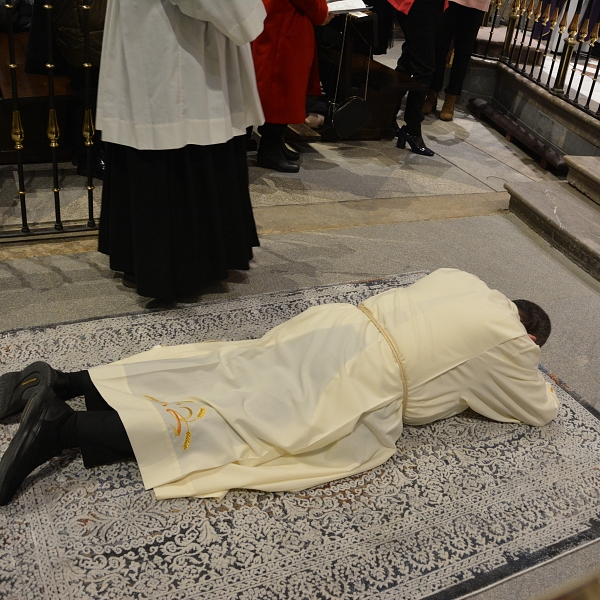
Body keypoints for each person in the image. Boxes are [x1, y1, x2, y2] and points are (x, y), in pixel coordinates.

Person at [0, 269, 560, 506]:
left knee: (220, 370)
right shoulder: (512, 343)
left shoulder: (465, 280)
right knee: (240, 425)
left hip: (334, 324)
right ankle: (61, 427)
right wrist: (533, 365)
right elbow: (540, 409)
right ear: (530, 334)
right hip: (364, 380)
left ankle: (66, 380)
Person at [96, 1, 265, 302]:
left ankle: (143, 258)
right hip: (177, 43)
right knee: (178, 136)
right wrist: (247, 14)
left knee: (156, 135)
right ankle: (180, 268)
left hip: (153, 35)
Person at [251, 0, 332, 173]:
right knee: (280, 89)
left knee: (281, 88)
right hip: (284, 24)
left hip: (283, 20)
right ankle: (269, 151)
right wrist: (322, 11)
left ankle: (276, 143)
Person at [388, 0, 447, 156]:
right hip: (419, 4)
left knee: (408, 62)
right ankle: (412, 129)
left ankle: (387, 116)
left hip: (432, 5)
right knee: (425, 69)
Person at [422, 0, 491, 121]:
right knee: (439, 47)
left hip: (476, 4)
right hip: (451, 1)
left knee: (463, 51)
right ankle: (432, 94)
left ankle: (451, 99)